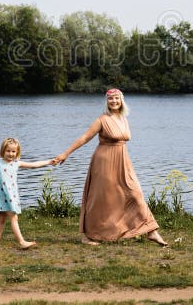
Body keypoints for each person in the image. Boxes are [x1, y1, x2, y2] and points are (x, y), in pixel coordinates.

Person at [53, 88, 167, 246]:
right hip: (104, 161)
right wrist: (65, 153)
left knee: (135, 193)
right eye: (110, 99)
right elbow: (85, 137)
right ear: (107, 102)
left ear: (121, 100)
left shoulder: (123, 118)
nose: (114, 101)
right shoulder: (102, 119)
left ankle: (151, 231)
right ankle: (87, 236)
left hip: (123, 161)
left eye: (116, 98)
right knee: (99, 199)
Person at [0, 137, 54, 249]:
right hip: (2, 195)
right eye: (8, 151)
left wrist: (49, 162)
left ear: (17, 152)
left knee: (3, 219)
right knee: (12, 218)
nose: (11, 154)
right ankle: (21, 242)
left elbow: (34, 165)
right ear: (3, 151)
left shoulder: (17, 163)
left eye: (13, 151)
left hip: (12, 195)